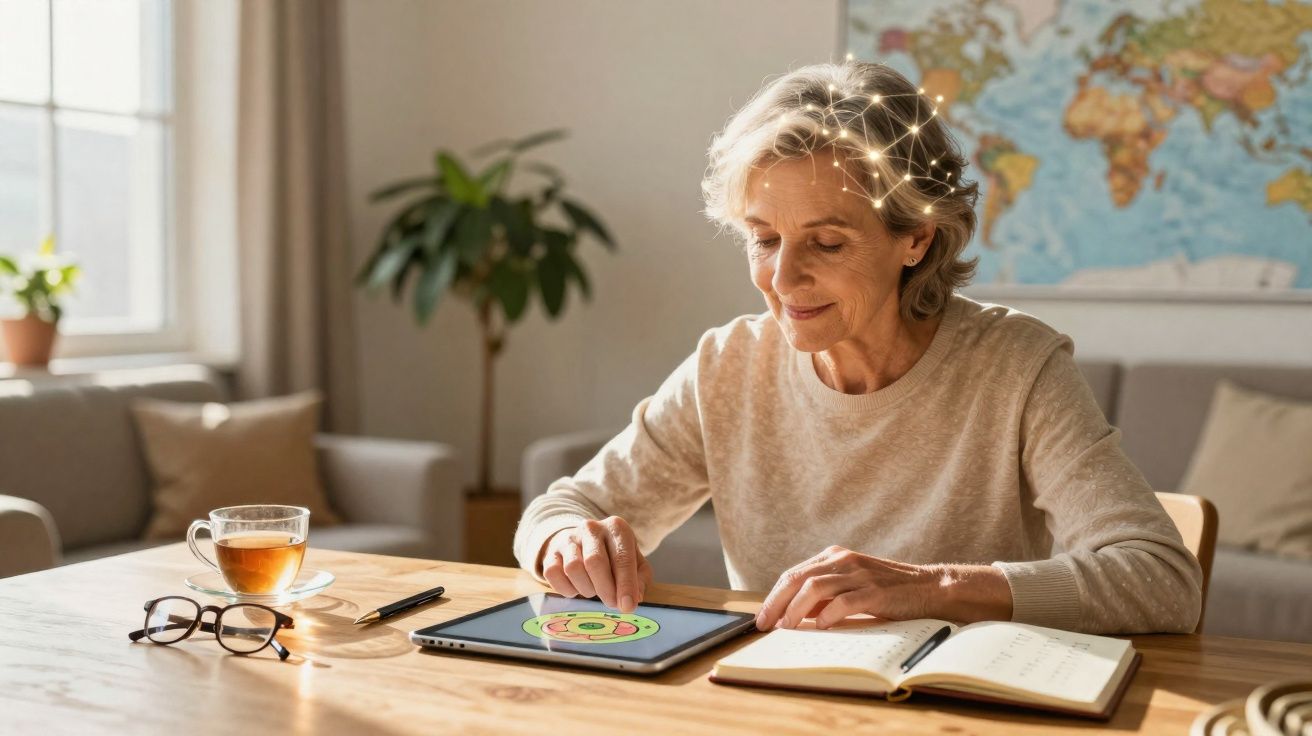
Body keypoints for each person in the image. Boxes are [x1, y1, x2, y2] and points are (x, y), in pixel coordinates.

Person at [513, 60, 1203, 635]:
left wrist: (931, 586)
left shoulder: (1015, 365)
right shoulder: (729, 366)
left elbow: (1163, 581)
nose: (782, 279)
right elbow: (560, 508)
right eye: (763, 238)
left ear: (917, 238)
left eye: (827, 242)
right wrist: (565, 540)